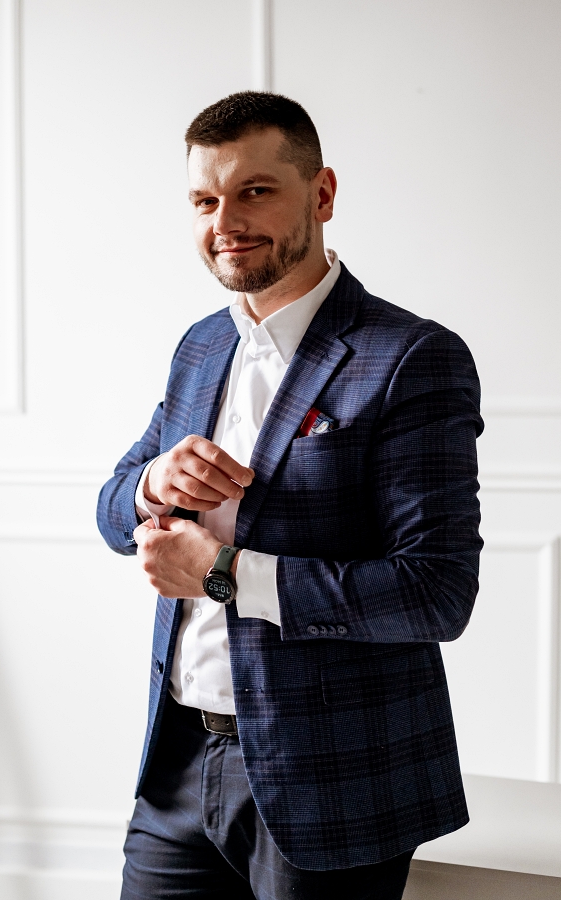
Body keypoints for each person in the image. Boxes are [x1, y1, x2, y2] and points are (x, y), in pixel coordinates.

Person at [97, 91, 483, 900]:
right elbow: (110, 508)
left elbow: (436, 592)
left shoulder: (411, 356)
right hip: (177, 767)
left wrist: (223, 572)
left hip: (333, 780)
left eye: (255, 191)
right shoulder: (202, 345)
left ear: (322, 194)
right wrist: (152, 483)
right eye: (205, 200)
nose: (226, 222)